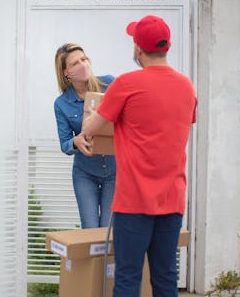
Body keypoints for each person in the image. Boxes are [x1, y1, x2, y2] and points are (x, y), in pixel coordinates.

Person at [82, 15, 197, 296]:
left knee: (127, 278)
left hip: (133, 203)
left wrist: (94, 115)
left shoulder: (126, 84)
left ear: (137, 48)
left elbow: (91, 128)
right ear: (166, 46)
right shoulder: (187, 86)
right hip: (172, 200)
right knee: (165, 277)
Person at [53, 43, 117, 228]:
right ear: (66, 73)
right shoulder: (61, 104)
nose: (83, 64)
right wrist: (76, 141)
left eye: (84, 59)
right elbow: (65, 144)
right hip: (85, 173)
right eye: (75, 63)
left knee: (107, 231)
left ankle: (107, 259)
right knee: (89, 229)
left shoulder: (110, 84)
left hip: (114, 171)